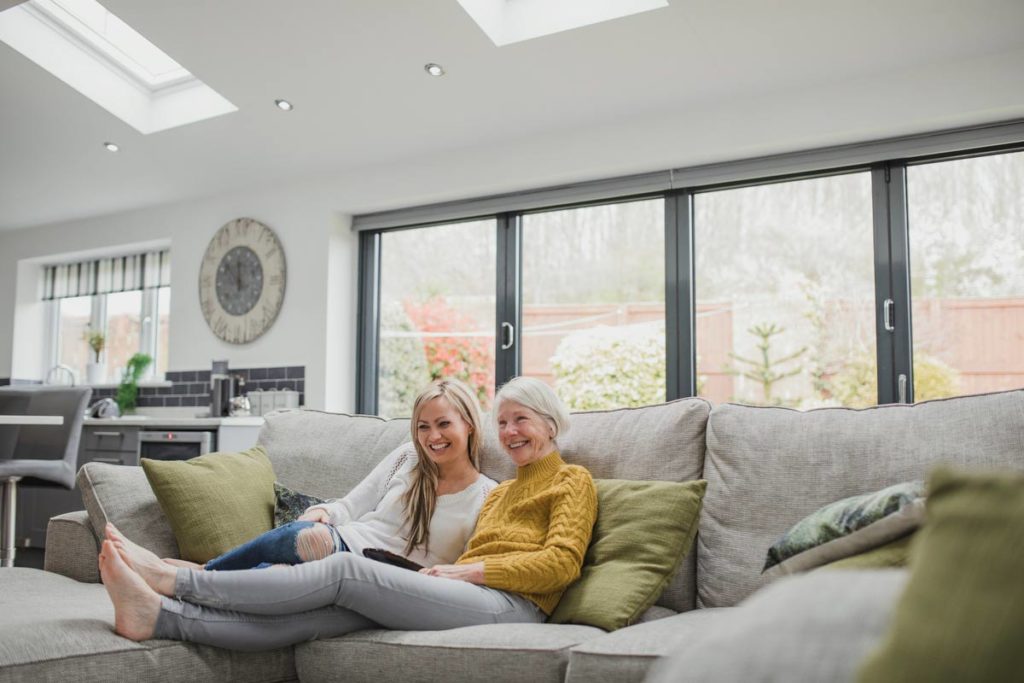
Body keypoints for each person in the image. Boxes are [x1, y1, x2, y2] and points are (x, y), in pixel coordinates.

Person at [100, 376, 598, 651]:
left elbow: (560, 564)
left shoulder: (571, 481)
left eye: (522, 421)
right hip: (465, 590)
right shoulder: (503, 492)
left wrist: (470, 570)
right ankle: (161, 619)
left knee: (341, 567)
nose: (510, 432)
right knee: (320, 617)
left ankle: (177, 583)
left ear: (551, 424)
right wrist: (462, 572)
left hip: (512, 603)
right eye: (504, 422)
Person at [180, 377, 496, 572]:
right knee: (298, 549)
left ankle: (202, 573)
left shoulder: (487, 495)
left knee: (293, 562)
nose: (432, 437)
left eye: (443, 424)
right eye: (423, 427)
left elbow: (470, 563)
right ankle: (202, 574)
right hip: (347, 544)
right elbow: (349, 507)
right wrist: (323, 511)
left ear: (469, 424)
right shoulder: (408, 457)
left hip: (389, 576)